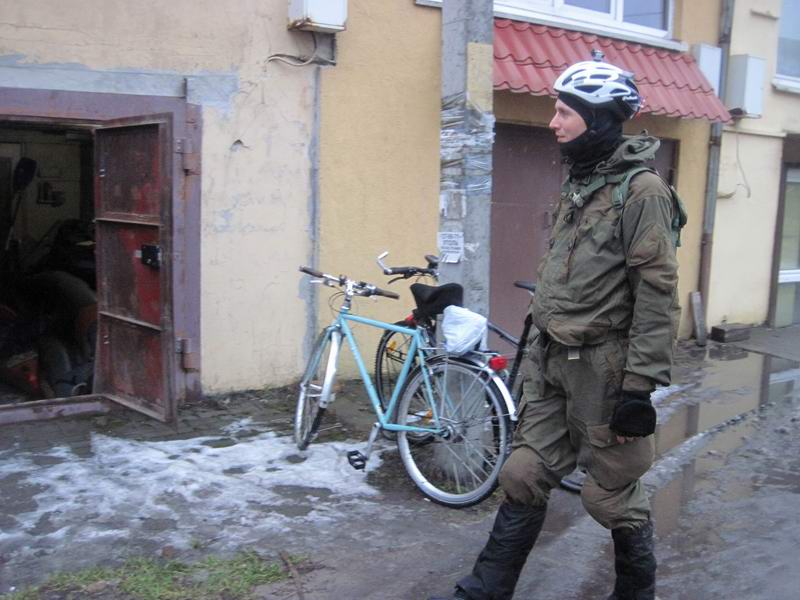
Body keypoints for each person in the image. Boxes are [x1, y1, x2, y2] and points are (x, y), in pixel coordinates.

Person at [430, 53, 681, 600]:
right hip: (552, 362)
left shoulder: (642, 193)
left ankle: (636, 593)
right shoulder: (580, 182)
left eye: (565, 112)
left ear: (598, 119)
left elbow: (657, 294)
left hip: (604, 371)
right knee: (522, 473)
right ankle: (484, 590)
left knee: (610, 495)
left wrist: (639, 388)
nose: (553, 122)